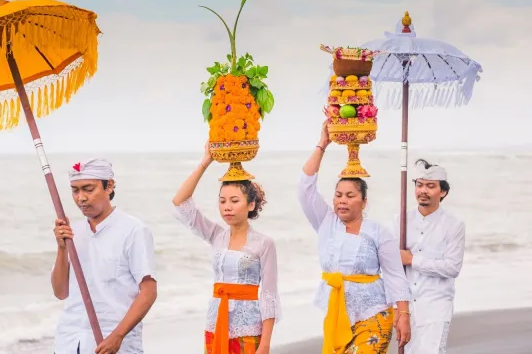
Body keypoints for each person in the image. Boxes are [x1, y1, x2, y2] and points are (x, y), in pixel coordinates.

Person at [297, 120, 411, 354]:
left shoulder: (378, 232)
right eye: (338, 195)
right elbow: (304, 188)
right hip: (338, 318)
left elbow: (395, 275)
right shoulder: (326, 222)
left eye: (350, 195)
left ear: (364, 201)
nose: (342, 200)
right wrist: (322, 144)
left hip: (374, 316)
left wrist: (403, 314)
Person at [171, 142, 281, 354]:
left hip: (248, 328)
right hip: (215, 323)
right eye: (222, 201)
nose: (227, 207)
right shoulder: (216, 236)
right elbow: (180, 203)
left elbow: (269, 295)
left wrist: (265, 344)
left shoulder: (264, 243)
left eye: (234, 200)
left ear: (251, 205)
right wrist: (206, 161)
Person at [52, 158, 158, 354]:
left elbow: (149, 291)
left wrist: (117, 336)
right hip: (69, 341)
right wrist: (61, 248)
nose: (81, 198)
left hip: (113, 343)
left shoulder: (134, 230)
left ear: (109, 186)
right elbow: (60, 292)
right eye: (75, 190)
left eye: (88, 189)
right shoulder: (72, 232)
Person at [392, 159, 465, 354]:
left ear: (443, 192)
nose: (423, 190)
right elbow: (392, 268)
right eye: (419, 185)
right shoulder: (401, 220)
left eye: (430, 186)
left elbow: (452, 268)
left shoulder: (454, 225)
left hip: (436, 306)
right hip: (406, 307)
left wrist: (412, 260)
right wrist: (396, 307)